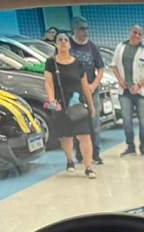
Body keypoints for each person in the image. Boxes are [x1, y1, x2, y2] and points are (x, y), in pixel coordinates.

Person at [44, 32, 97, 179]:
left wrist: (91, 105)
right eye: (60, 40)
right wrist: (52, 101)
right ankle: (69, 160)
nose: (63, 42)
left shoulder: (78, 63)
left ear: (69, 44)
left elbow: (85, 86)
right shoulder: (51, 63)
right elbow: (48, 83)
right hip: (61, 105)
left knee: (85, 136)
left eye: (65, 40)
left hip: (78, 105)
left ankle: (88, 167)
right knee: (66, 136)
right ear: (56, 44)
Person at [112, 25, 144, 156]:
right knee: (126, 120)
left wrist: (139, 85)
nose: (137, 35)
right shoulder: (120, 47)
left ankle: (143, 146)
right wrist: (120, 80)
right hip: (124, 92)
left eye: (139, 34)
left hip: (142, 93)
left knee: (143, 121)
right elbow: (114, 66)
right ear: (129, 33)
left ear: (142, 36)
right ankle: (130, 146)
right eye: (134, 32)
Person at [70, 17, 105, 165]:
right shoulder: (68, 45)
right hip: (74, 93)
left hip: (92, 91)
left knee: (94, 123)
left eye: (86, 28)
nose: (85, 32)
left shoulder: (91, 47)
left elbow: (101, 69)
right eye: (82, 29)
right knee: (77, 124)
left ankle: (95, 154)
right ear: (74, 30)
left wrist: (93, 85)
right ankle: (80, 154)